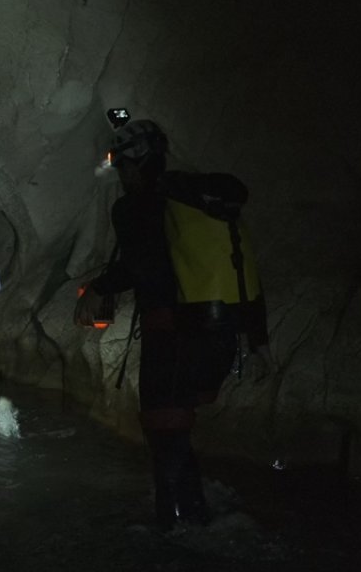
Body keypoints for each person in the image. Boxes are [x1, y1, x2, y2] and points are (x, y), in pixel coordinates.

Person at [76, 116, 267, 531]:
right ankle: (196, 517)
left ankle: (170, 531)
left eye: (122, 165)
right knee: (176, 429)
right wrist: (259, 338)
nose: (121, 175)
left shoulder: (135, 206)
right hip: (218, 334)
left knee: (164, 432)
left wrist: (98, 287)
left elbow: (143, 266)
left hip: (174, 336)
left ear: (136, 162)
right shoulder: (197, 200)